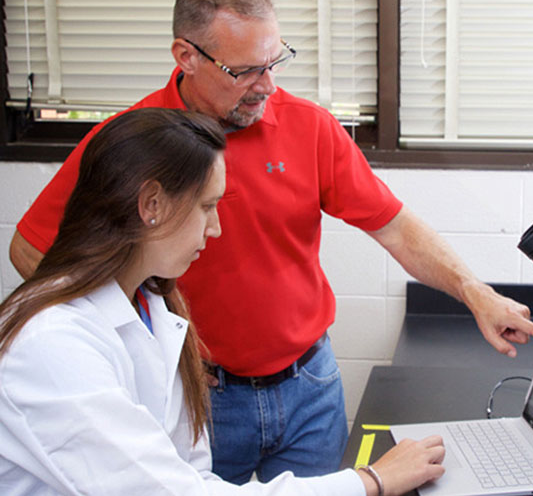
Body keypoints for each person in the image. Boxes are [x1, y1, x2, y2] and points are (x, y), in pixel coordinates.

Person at [8, 0, 533, 484]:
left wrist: (474, 292)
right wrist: (126, 340)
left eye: (275, 62)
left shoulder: (307, 126)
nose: (267, 85)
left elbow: (392, 225)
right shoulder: (133, 143)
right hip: (200, 395)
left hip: (308, 387)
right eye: (246, 71)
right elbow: (31, 248)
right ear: (187, 57)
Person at [0, 107, 445, 495]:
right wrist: (371, 480)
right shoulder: (53, 347)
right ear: (151, 203)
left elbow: (192, 475)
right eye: (207, 207)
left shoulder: (155, 307)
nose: (214, 229)